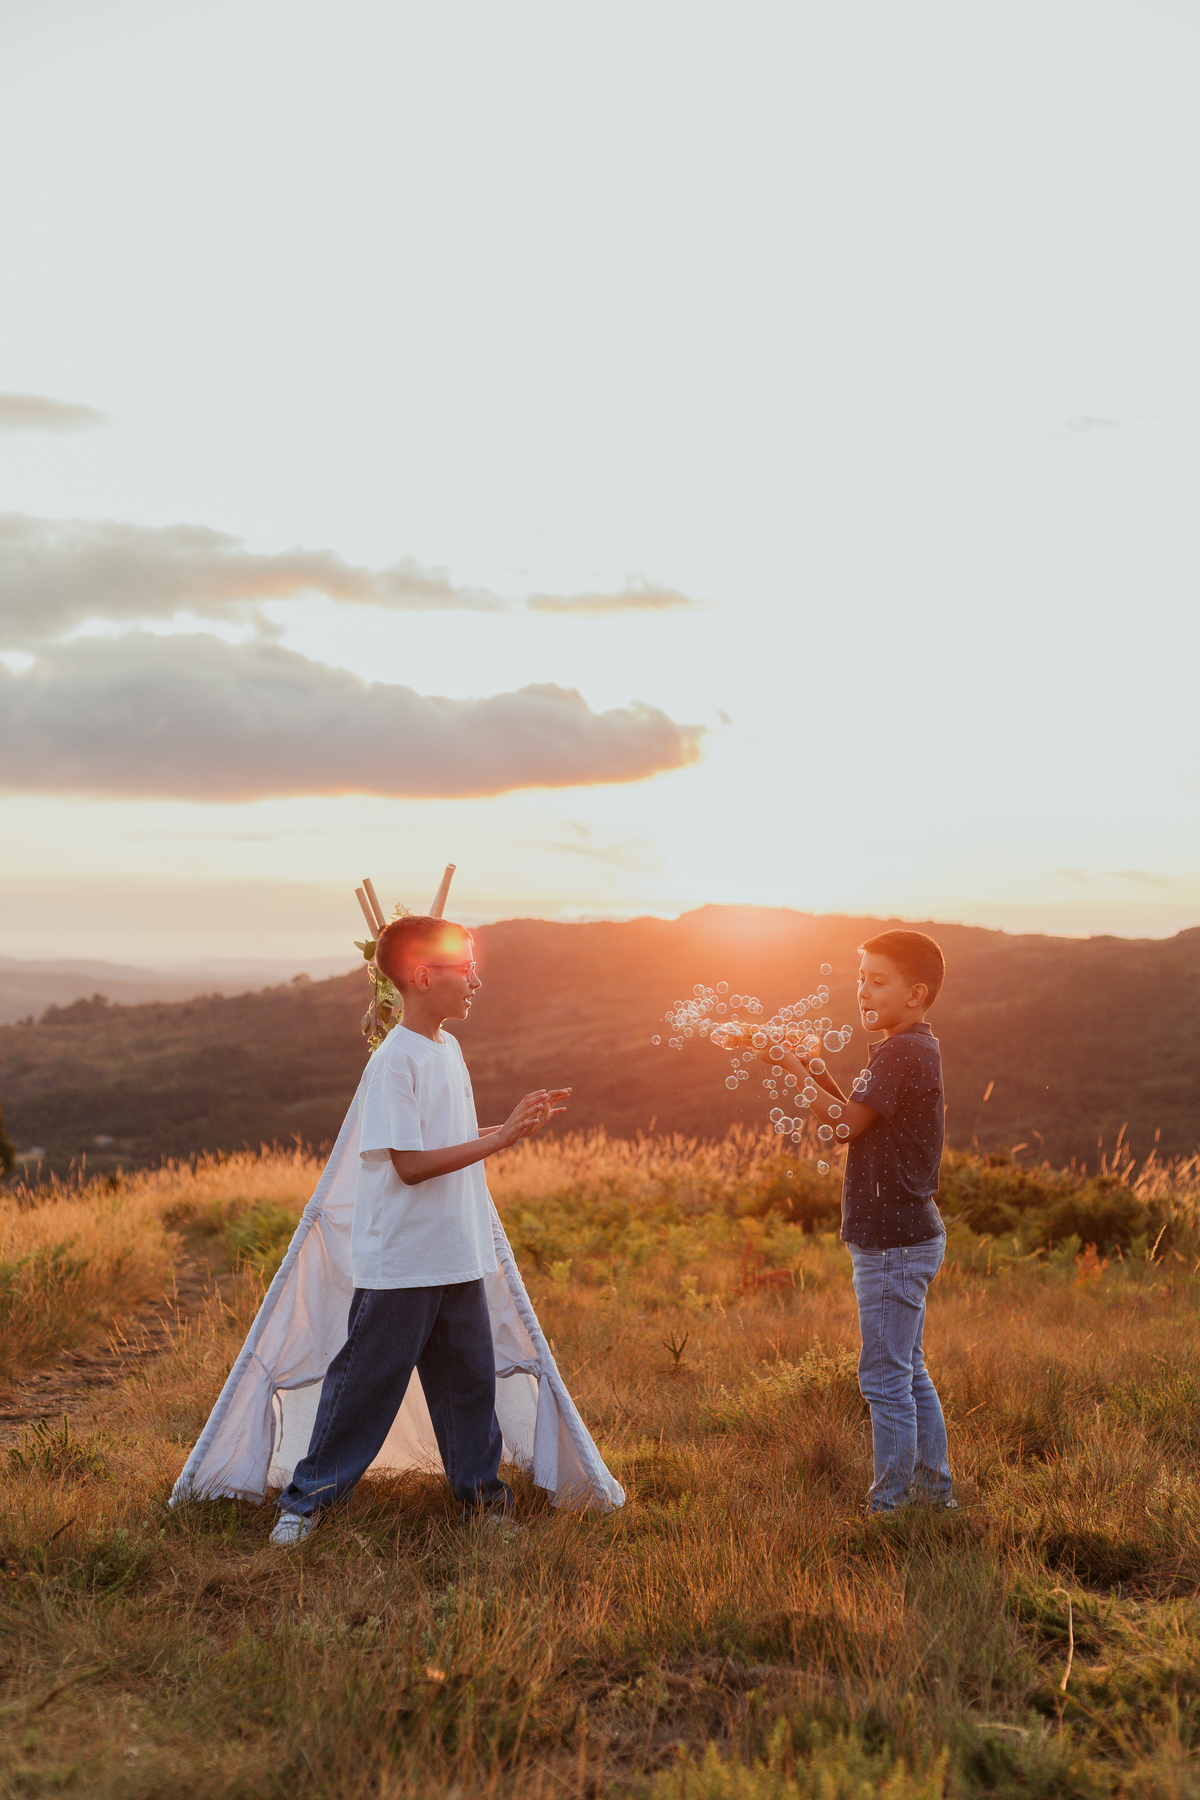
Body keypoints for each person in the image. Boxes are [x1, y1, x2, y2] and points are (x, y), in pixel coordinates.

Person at [270, 914, 569, 1545]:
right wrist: (502, 1140)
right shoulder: (392, 1063)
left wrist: (505, 1130)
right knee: (363, 1388)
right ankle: (304, 1504)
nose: (475, 981)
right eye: (465, 969)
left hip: (458, 1252)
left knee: (469, 1389)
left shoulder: (448, 1050)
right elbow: (408, 1166)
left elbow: (446, 1142)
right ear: (422, 976)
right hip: (404, 1260)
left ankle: (483, 1502)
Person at [750, 929, 952, 1513]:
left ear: (916, 993)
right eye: (860, 978)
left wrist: (792, 1065)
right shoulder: (909, 1047)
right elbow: (857, 1115)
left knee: (885, 1379)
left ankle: (890, 1509)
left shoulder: (902, 1050)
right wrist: (812, 1065)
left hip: (891, 1242)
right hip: (908, 1235)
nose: (863, 991)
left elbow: (842, 1126)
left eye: (878, 981)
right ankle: (934, 1496)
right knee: (908, 1370)